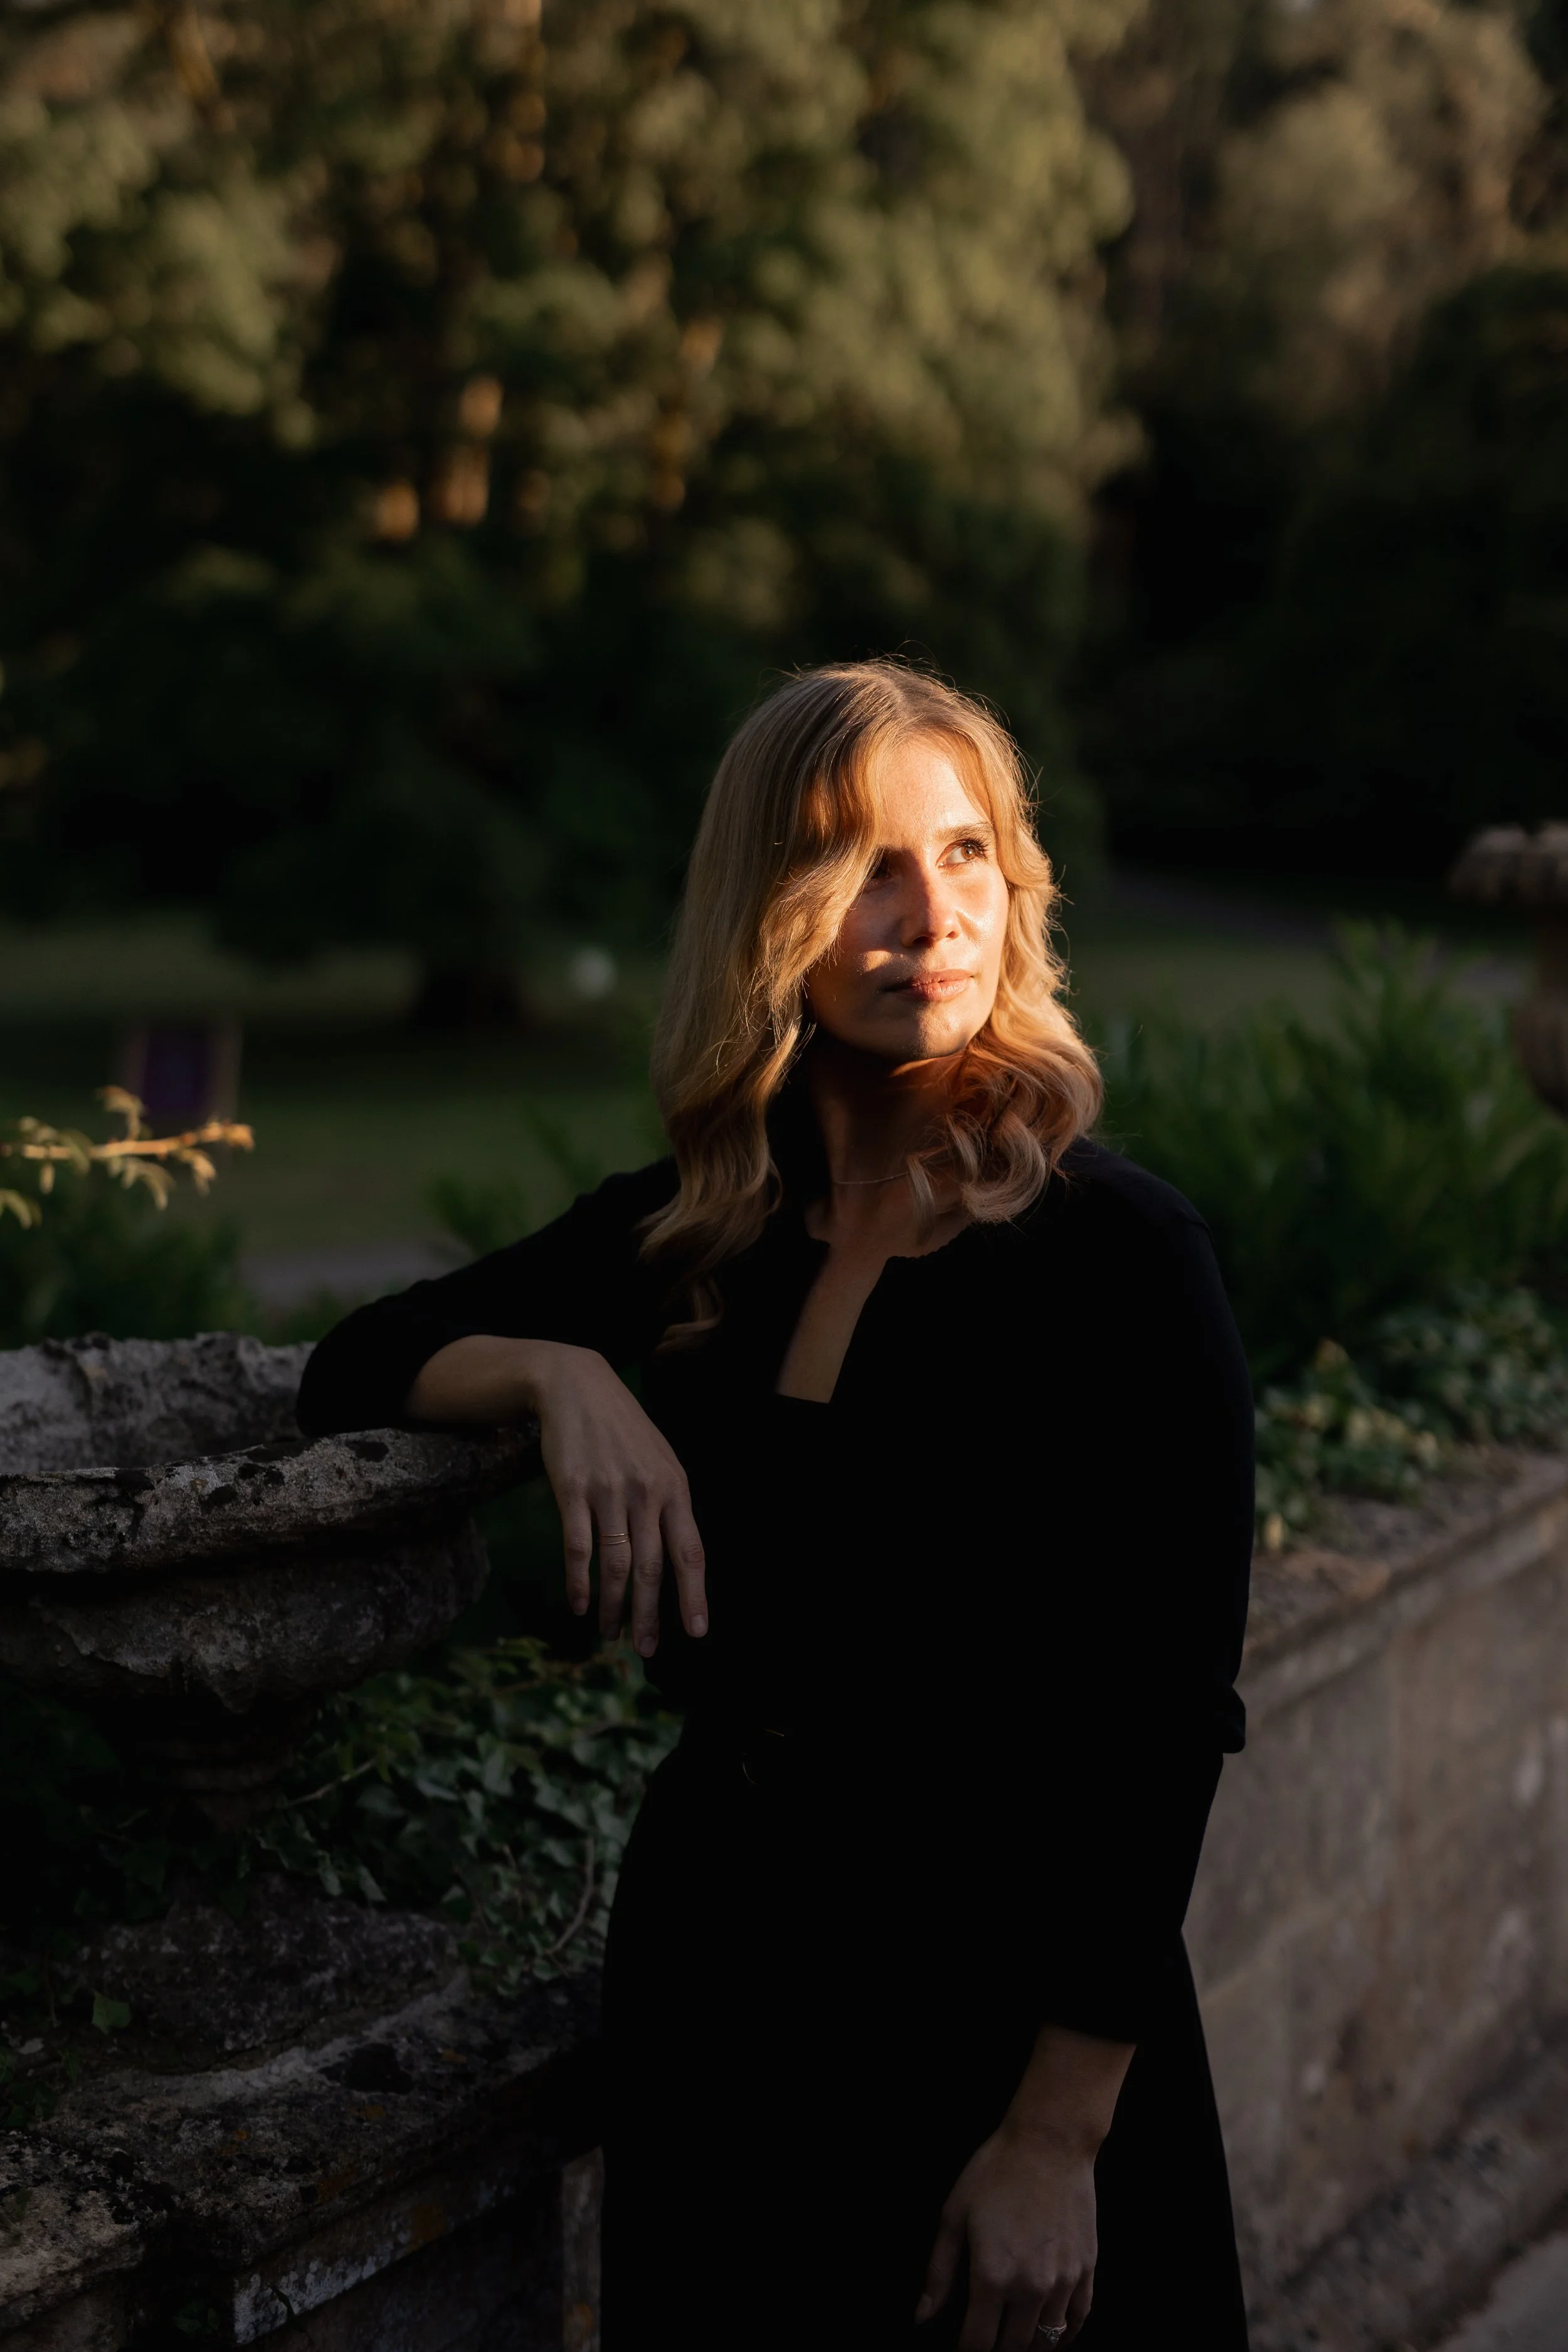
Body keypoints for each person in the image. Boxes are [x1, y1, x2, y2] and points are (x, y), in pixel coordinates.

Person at [297, 661, 1254, 2351]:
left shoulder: (1122, 1258)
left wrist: (1056, 2138)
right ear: (769, 907)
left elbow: (1162, 1726)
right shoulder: (700, 1228)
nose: (930, 915)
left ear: (1016, 887)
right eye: (866, 864)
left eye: (963, 853)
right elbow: (355, 1364)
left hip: (999, 2005)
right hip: (726, 1980)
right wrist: (559, 1374)